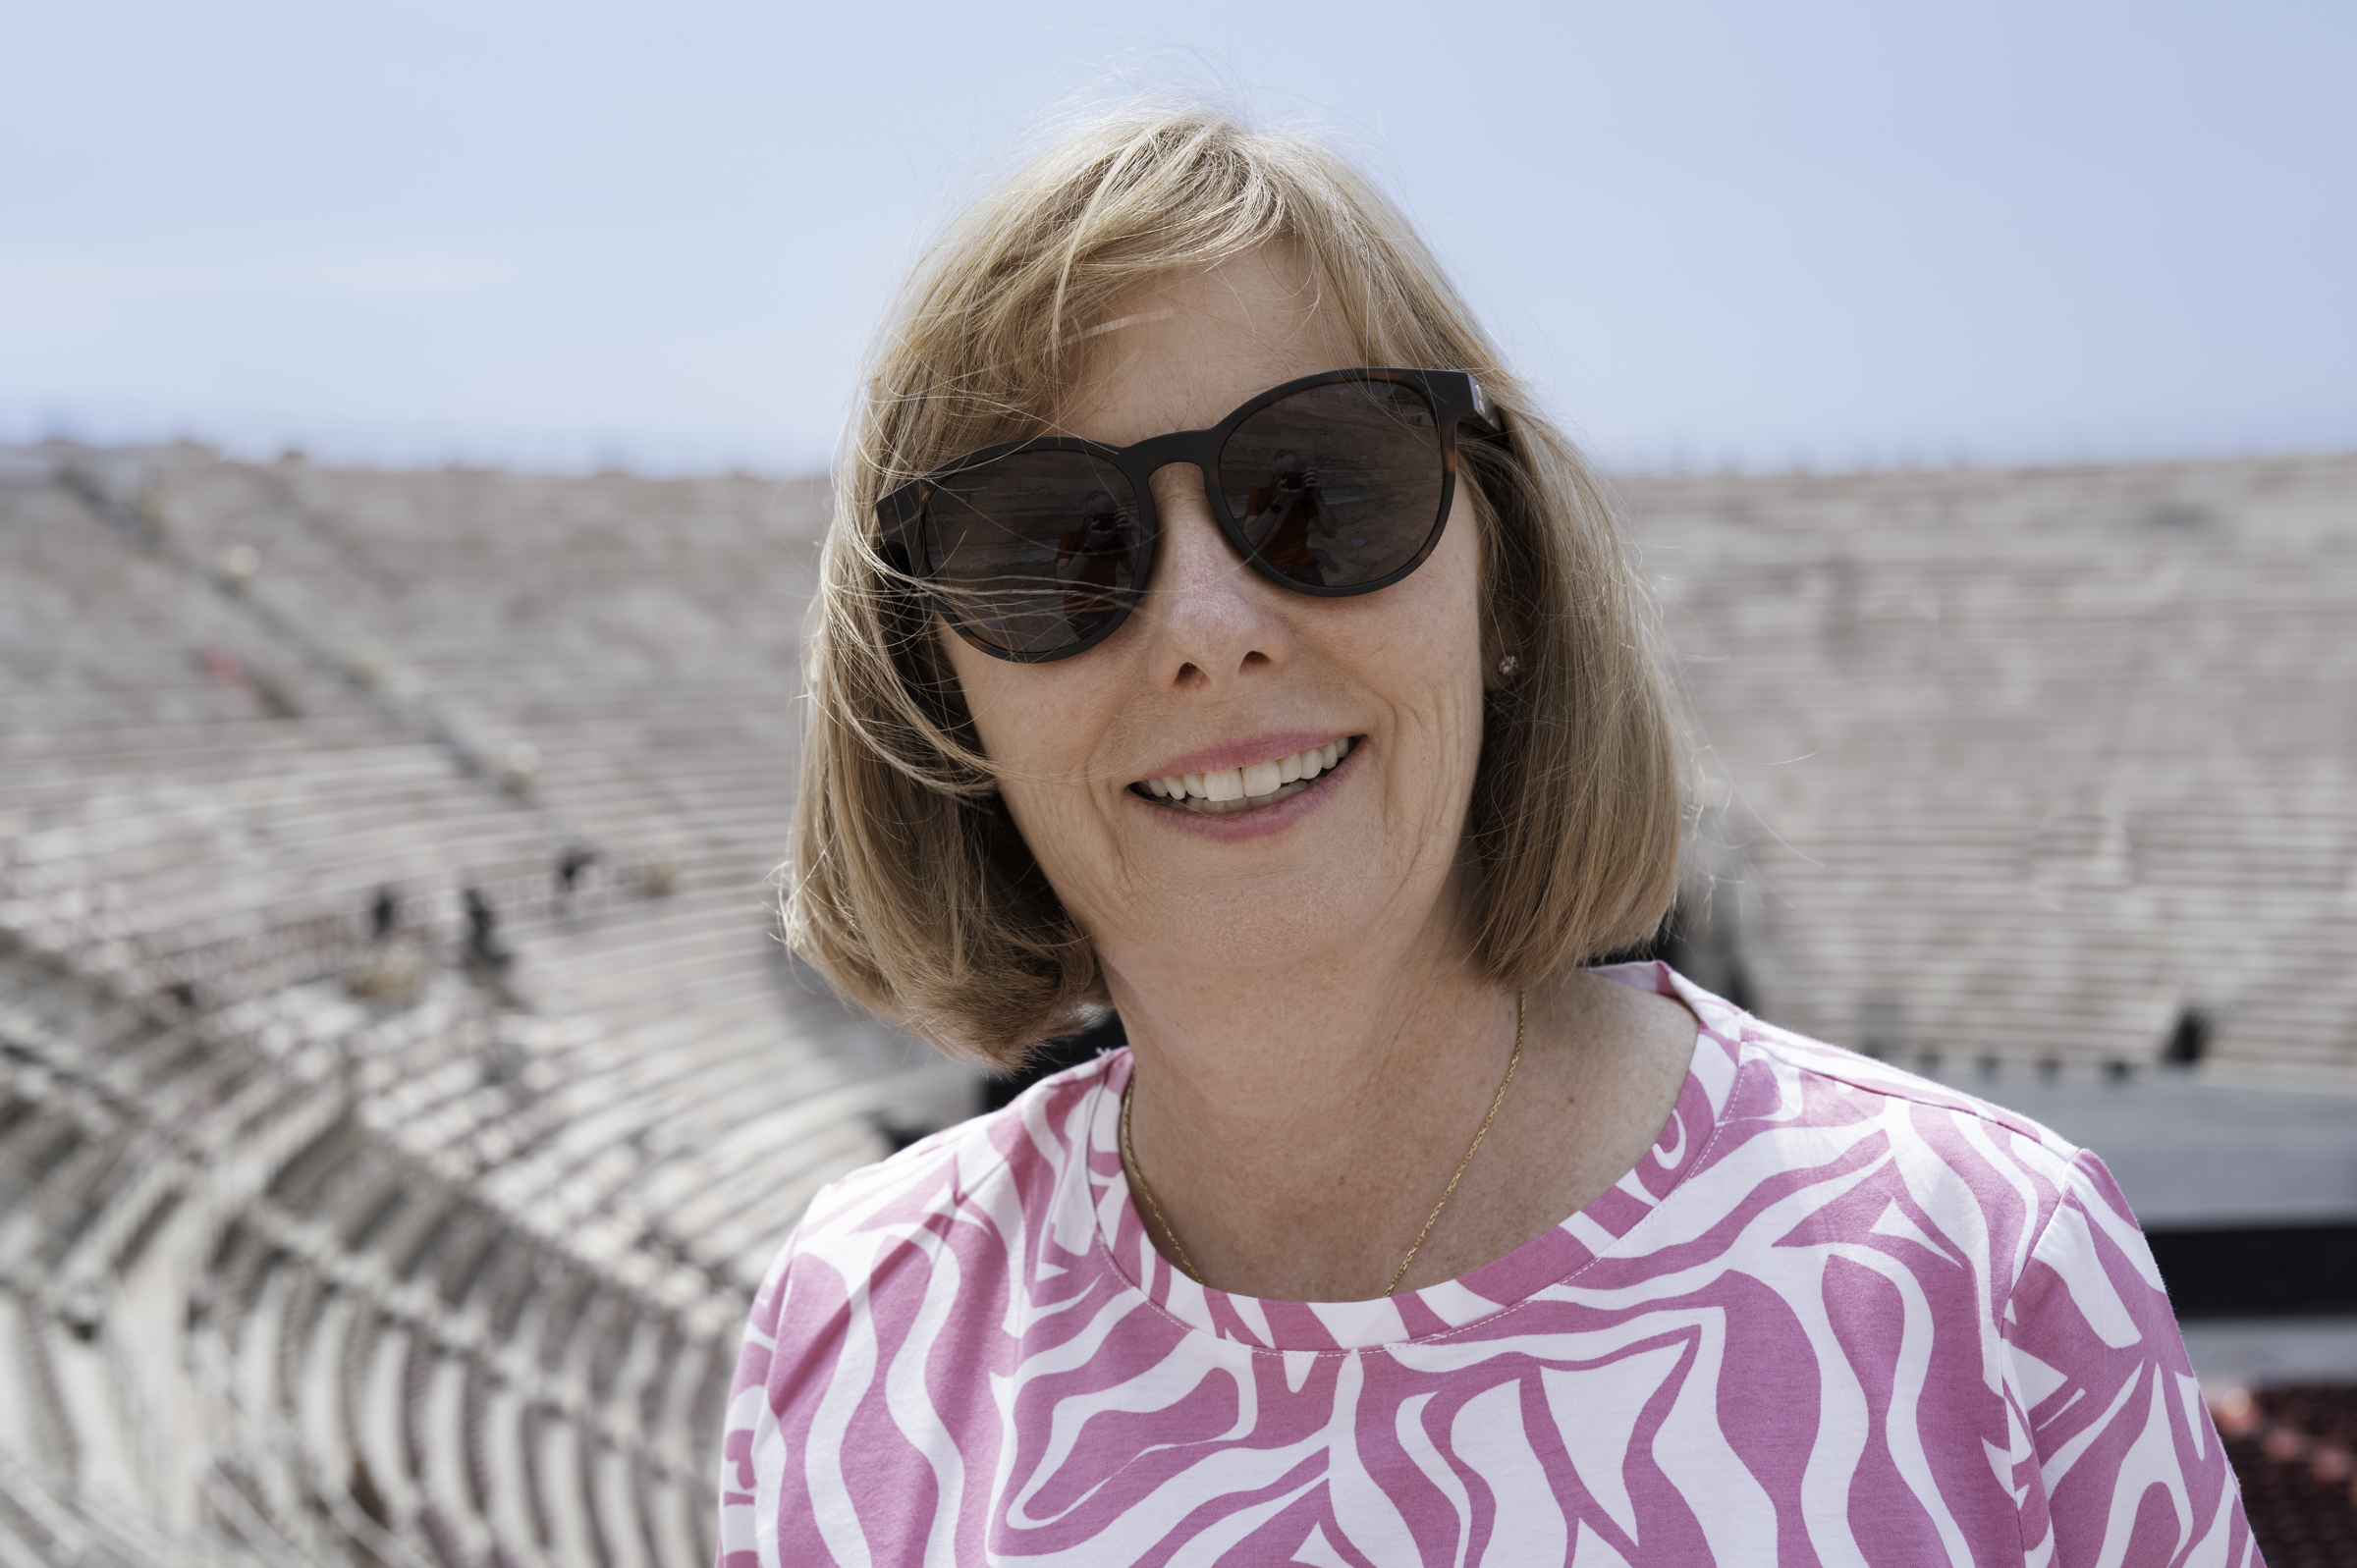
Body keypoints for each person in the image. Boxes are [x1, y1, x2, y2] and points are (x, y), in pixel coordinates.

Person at [722, 104, 2253, 1566]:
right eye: (1051, 546)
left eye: (1319, 487)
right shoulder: (860, 1323)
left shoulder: (1983, 1273)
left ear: (1504, 586)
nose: (1206, 626)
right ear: (942, 692)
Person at [1241, 449, 1334, 583]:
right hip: (1270, 564)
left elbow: (1331, 532)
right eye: (1290, 476)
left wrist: (1318, 496)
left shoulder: (1307, 497)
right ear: (1276, 476)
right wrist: (1279, 501)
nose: (1295, 482)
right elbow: (1250, 540)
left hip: (1301, 564)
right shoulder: (1261, 495)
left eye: (1300, 476)